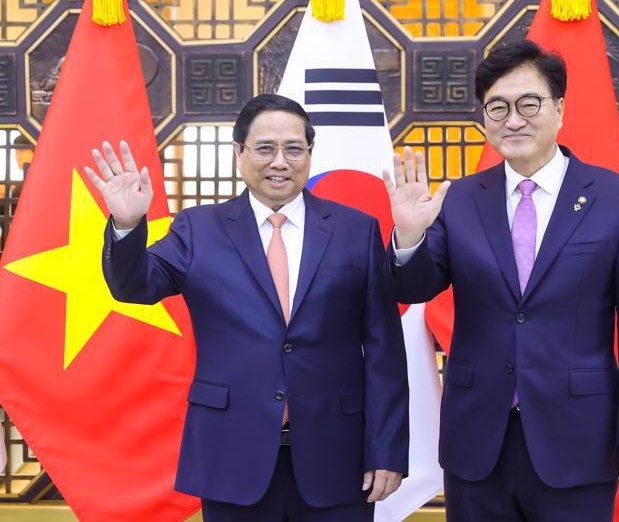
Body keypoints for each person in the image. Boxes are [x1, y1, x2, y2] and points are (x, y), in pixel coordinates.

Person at [86, 94, 409, 522]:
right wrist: (127, 225)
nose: (280, 161)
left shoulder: (356, 229)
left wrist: (387, 449)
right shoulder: (197, 229)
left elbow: (384, 349)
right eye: (264, 148)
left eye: (294, 148)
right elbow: (134, 286)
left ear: (310, 154)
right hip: (230, 454)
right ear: (239, 153)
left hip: (338, 454)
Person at [383, 40, 619, 521]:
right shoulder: (461, 199)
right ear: (484, 119)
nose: (513, 120)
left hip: (578, 437)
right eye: (497, 107)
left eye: (528, 103)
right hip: (478, 438)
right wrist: (408, 237)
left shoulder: (617, 200)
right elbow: (414, 289)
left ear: (559, 109)